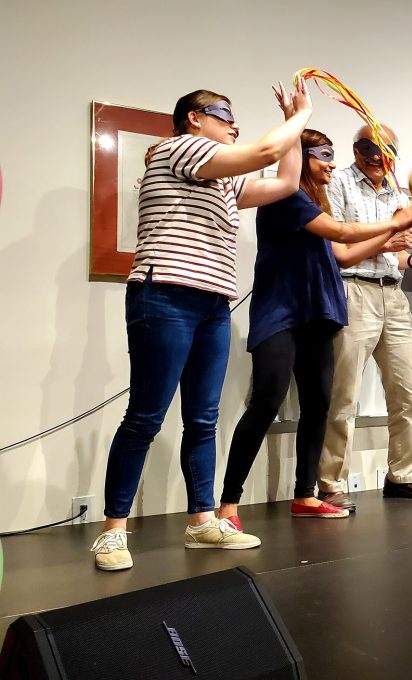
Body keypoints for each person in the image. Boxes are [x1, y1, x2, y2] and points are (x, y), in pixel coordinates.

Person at [90, 81, 313, 571]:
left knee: (203, 418)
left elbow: (285, 183)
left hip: (212, 303)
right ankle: (112, 531)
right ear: (193, 117)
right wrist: (300, 116)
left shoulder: (223, 176)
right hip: (164, 294)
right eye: (222, 114)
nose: (233, 124)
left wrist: (294, 129)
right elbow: (267, 149)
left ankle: (202, 521)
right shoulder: (179, 148)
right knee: (146, 416)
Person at [217, 130, 412, 528]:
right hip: (280, 313)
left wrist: (390, 238)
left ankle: (305, 496)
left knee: (318, 406)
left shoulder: (317, 201)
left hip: (318, 314)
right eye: (322, 155)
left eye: (331, 154)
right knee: (265, 404)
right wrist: (391, 223)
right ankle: (228, 505)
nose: (331, 162)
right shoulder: (287, 196)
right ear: (300, 157)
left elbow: (343, 255)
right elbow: (343, 233)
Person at [317, 125, 412, 511]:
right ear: (355, 148)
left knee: (407, 393)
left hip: (394, 292)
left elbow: (396, 254)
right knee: (344, 395)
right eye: (368, 147)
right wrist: (389, 241)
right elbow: (339, 241)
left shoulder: (398, 192)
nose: (376, 154)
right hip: (353, 289)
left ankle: (404, 475)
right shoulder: (336, 184)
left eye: (385, 148)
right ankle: (330, 482)